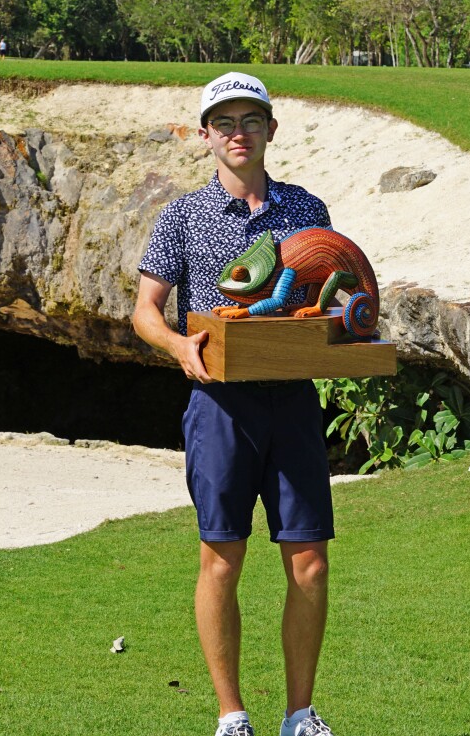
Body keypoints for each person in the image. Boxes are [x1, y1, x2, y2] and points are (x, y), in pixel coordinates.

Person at [133, 71, 339, 736]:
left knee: (309, 557)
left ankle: (300, 715)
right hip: (218, 408)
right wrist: (178, 348)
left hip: (294, 403)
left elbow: (327, 296)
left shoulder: (307, 210)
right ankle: (231, 716)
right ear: (205, 136)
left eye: (251, 120)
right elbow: (145, 312)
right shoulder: (182, 216)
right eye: (224, 122)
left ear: (271, 129)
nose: (238, 133)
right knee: (221, 555)